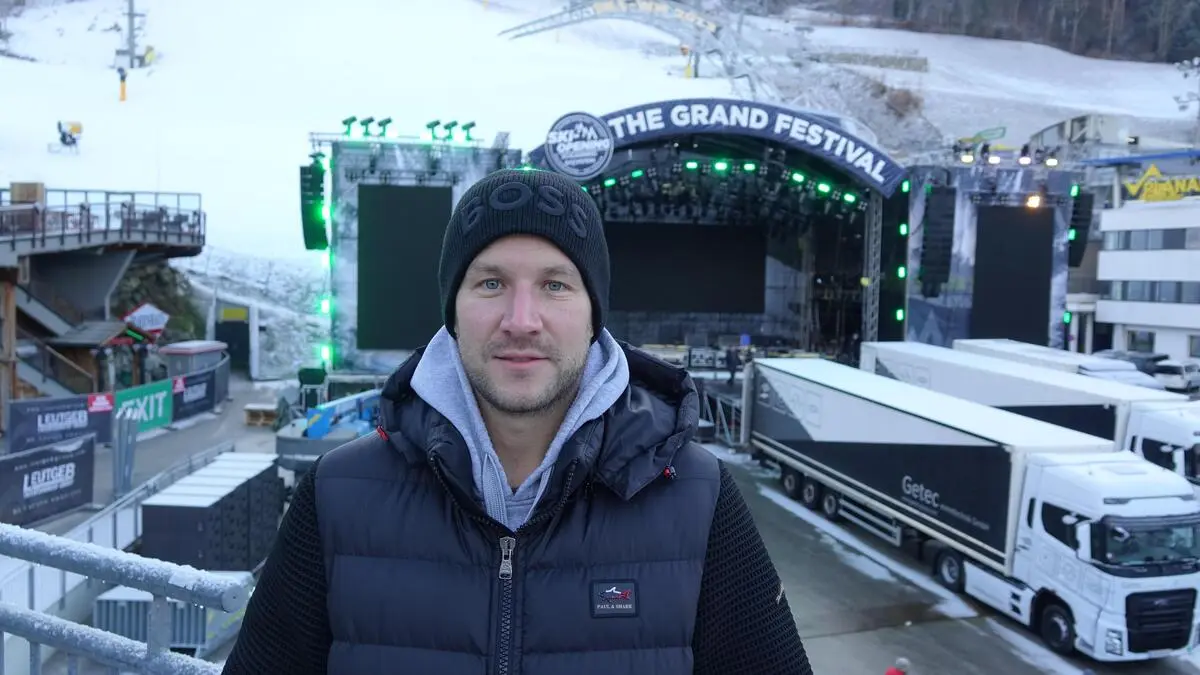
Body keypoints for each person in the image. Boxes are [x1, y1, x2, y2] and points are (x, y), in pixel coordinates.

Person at [222, 168, 811, 674]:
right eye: (491, 283)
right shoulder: (336, 496)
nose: (521, 320)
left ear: (593, 314)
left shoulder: (698, 499)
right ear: (453, 312)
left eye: (555, 285)